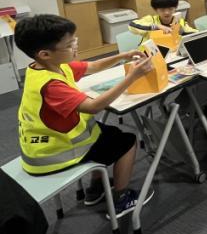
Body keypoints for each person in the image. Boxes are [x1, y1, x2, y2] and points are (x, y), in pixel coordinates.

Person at [14, 14, 155, 218]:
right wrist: (132, 76)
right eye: (69, 44)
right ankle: (121, 199)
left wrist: (122, 56)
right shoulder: (50, 85)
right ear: (45, 54)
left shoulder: (49, 66)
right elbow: (94, 106)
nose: (75, 46)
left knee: (106, 133)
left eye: (74, 40)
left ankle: (96, 188)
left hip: (48, 143)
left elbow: (92, 66)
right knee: (128, 142)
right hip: (53, 154)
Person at [128, 0, 198, 41]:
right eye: (162, 10)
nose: (167, 12)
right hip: (150, 53)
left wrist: (183, 32)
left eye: (170, 9)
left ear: (175, 8)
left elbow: (196, 34)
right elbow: (131, 25)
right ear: (155, 9)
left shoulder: (179, 21)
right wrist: (157, 26)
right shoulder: (151, 19)